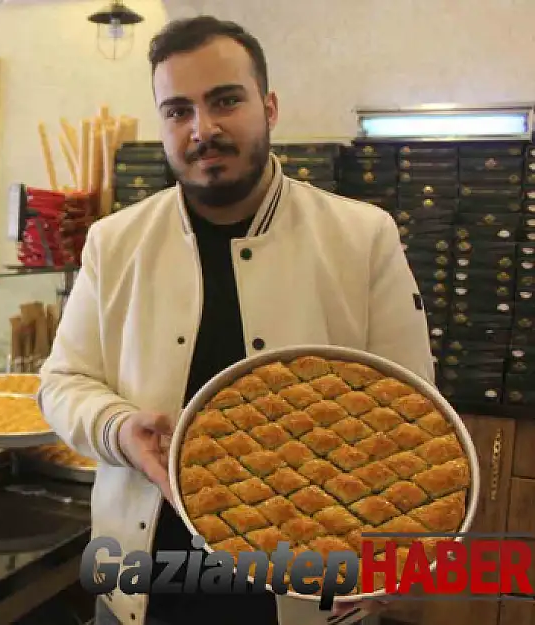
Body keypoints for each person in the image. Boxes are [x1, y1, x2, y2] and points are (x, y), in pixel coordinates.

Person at [38, 15, 433, 625]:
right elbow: (62, 383)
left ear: (269, 106)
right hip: (146, 587)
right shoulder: (113, 243)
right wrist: (120, 430)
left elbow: (413, 412)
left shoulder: (362, 237)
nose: (204, 129)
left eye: (225, 100)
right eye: (178, 110)